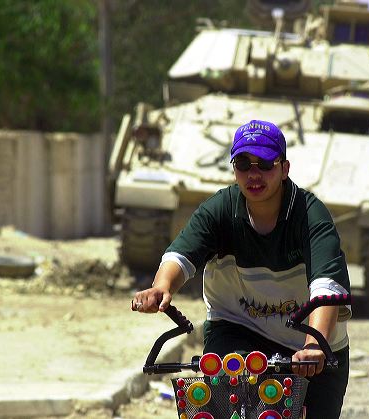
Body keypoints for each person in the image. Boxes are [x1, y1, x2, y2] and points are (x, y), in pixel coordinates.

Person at [132, 119, 352, 418]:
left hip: (309, 343)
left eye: (265, 164)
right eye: (244, 164)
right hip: (237, 328)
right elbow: (181, 255)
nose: (254, 174)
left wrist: (314, 345)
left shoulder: (310, 214)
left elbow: (326, 286)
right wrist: (161, 288)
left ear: (284, 168)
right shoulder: (220, 208)